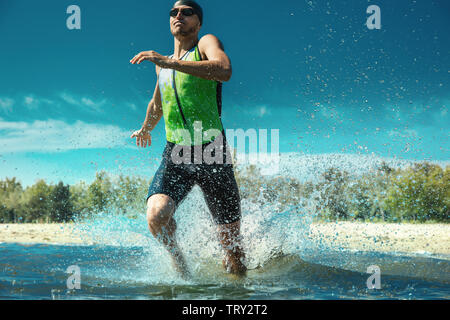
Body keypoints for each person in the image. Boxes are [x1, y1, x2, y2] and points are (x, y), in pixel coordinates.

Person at [130, 0, 247, 278]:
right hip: (177, 152)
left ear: (198, 21)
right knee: (157, 215)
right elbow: (157, 103)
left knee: (234, 258)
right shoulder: (162, 67)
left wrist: (171, 62)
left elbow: (224, 70)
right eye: (173, 12)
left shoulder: (205, 43)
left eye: (186, 12)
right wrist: (146, 127)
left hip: (212, 151)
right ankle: (182, 270)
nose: (178, 15)